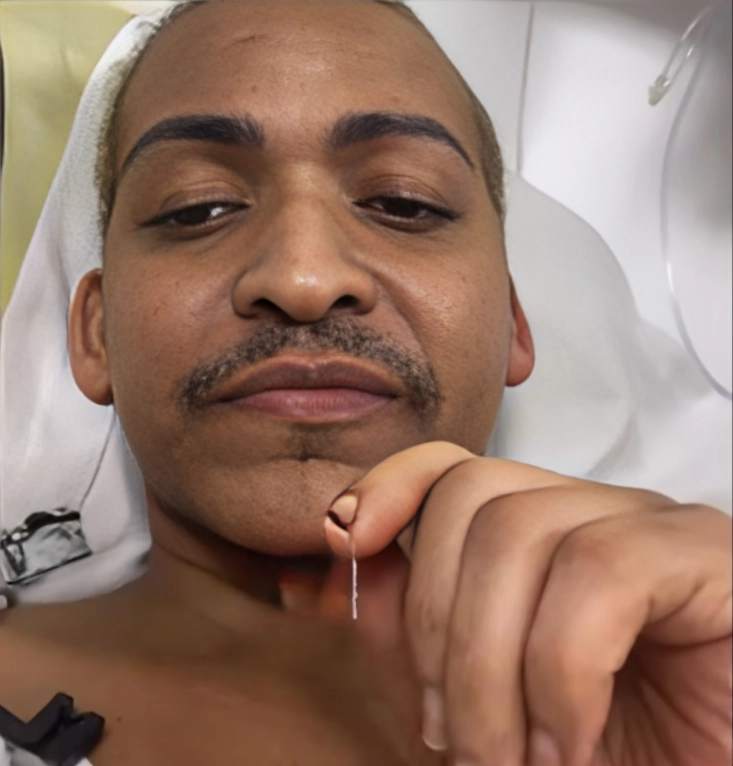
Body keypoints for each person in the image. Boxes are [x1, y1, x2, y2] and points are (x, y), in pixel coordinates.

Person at [0, 1, 730, 764]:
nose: (304, 279)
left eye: (401, 202)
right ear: (95, 333)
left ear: (511, 324)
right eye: (199, 207)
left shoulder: (692, 685)